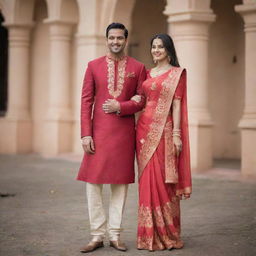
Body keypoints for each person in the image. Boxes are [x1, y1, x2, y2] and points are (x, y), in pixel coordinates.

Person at [77, 22, 146, 253]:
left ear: (126, 39)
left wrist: (121, 106)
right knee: (93, 184)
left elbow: (142, 99)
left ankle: (115, 235)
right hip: (98, 134)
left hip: (124, 135)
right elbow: (86, 101)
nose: (115, 42)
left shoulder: (137, 67)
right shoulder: (93, 66)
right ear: (106, 39)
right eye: (111, 38)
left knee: (120, 185)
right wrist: (85, 134)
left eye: (119, 38)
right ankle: (97, 235)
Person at [136, 34, 192, 251]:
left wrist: (177, 134)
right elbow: (141, 100)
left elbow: (177, 105)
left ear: (168, 50)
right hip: (142, 132)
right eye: (154, 46)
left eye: (160, 46)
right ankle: (148, 235)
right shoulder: (148, 74)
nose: (156, 50)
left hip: (164, 132)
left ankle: (167, 233)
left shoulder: (176, 74)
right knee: (146, 182)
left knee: (162, 182)